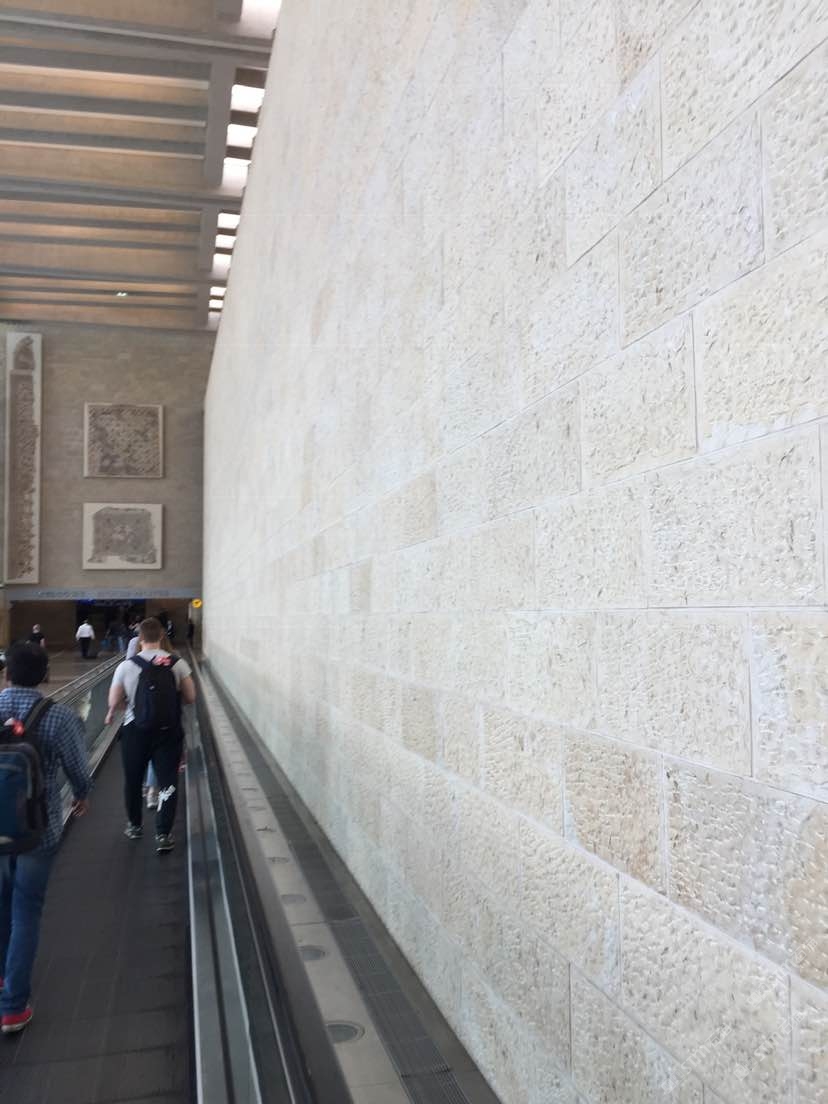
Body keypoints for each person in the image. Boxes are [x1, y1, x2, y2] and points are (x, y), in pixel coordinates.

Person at [0, 643, 91, 1034]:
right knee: (26, 911)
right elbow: (78, 769)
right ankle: (12, 1007)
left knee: (2, 905)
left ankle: (3, 978)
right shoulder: (59, 716)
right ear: (45, 676)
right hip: (39, 831)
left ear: (7, 674)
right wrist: (82, 795)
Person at [106, 619, 196, 853]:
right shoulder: (177, 663)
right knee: (168, 780)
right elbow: (190, 697)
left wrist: (132, 705)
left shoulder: (126, 666)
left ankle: (135, 826)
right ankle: (163, 834)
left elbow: (114, 701)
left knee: (133, 780)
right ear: (162, 636)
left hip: (135, 730)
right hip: (168, 731)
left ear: (140, 638)